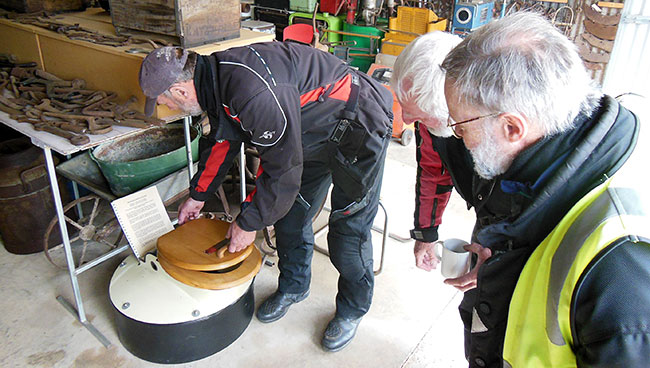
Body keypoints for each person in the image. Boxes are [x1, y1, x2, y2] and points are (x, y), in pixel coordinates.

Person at [138, 42, 393, 352]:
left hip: (359, 126)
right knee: (289, 217)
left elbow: (281, 173)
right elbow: (223, 140)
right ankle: (294, 287)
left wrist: (249, 223)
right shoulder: (215, 81)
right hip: (310, 131)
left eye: (164, 101)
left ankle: (353, 309)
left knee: (348, 235)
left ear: (180, 91)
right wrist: (198, 195)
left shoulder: (252, 92)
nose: (168, 107)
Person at [432, 12, 650, 367]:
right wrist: (503, 263)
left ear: (513, 127)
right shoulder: (547, 156)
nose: (460, 139)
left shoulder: (621, 266)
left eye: (460, 127)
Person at [390, 31, 476, 273]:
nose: (406, 119)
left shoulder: (503, 134)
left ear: (452, 109)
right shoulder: (433, 123)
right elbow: (433, 174)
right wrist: (425, 234)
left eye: (419, 113)